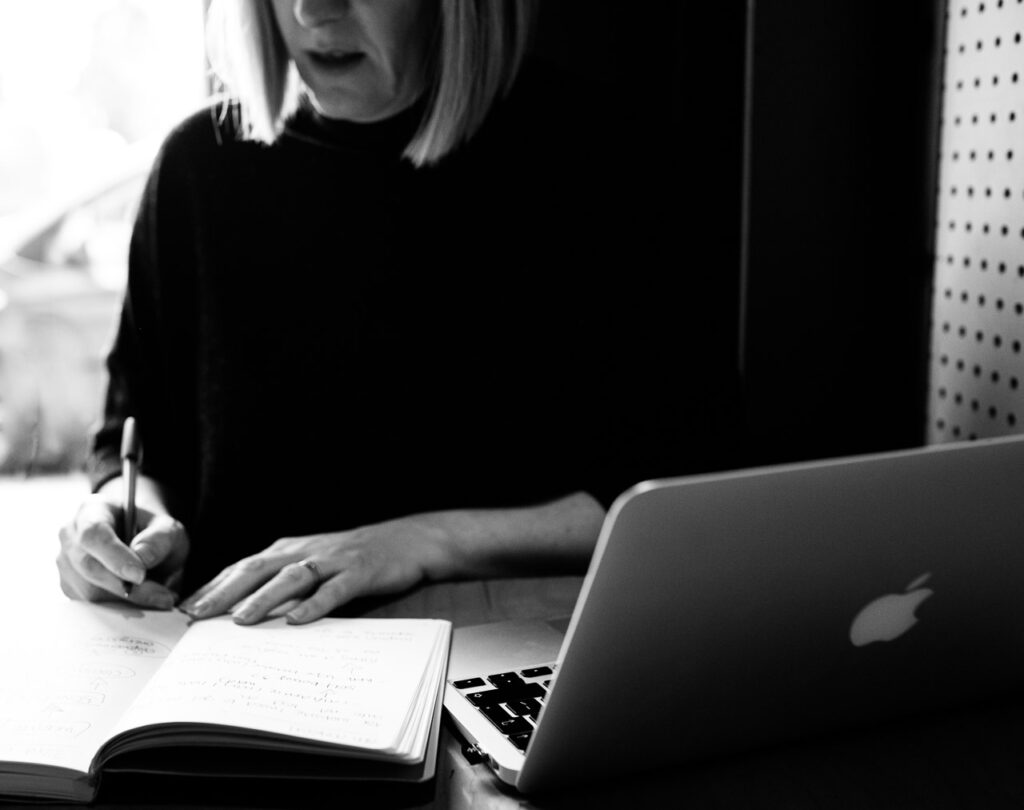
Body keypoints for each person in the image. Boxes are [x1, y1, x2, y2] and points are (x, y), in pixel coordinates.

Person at [57, 0, 732, 625]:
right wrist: (125, 519)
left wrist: (420, 542)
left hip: (497, 656)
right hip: (233, 678)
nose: (309, 10)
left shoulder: (600, 164)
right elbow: (136, 439)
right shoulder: (195, 171)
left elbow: (673, 486)